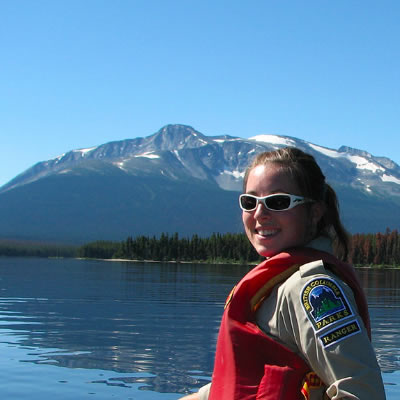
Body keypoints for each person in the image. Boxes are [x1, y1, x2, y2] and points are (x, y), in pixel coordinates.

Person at [180, 147, 386, 400]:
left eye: (278, 202)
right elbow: (245, 380)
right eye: (250, 202)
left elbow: (361, 391)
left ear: (314, 211)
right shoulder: (277, 284)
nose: (259, 214)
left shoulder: (314, 288)